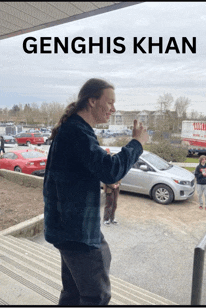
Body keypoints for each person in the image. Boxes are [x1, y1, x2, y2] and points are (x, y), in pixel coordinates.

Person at [43, 78, 148, 306]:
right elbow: (110, 170)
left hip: (66, 228)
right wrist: (137, 143)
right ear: (91, 101)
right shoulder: (78, 133)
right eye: (109, 102)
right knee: (96, 297)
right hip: (76, 231)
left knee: (72, 293)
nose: (114, 109)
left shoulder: (73, 129)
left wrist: (100, 179)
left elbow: (78, 172)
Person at [103, 148, 121, 226]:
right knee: (108, 204)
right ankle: (106, 219)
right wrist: (112, 185)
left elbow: (120, 177)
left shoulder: (118, 168)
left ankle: (112, 218)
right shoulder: (107, 168)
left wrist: (118, 184)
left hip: (116, 188)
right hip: (109, 189)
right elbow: (105, 179)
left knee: (114, 204)